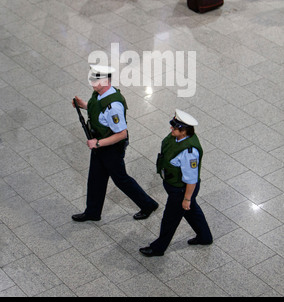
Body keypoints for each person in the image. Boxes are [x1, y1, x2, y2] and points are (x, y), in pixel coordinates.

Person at [72, 64, 159, 222]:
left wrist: (97, 144)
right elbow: (98, 111)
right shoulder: (98, 94)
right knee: (96, 178)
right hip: (101, 144)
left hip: (111, 148)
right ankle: (92, 212)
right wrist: (84, 105)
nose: (92, 81)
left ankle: (148, 204)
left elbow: (121, 134)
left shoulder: (114, 106)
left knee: (121, 180)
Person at [139, 109, 213, 257]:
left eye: (174, 126)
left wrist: (186, 198)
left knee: (170, 219)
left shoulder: (190, 151)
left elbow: (191, 179)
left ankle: (158, 248)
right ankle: (205, 237)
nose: (171, 128)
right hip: (175, 186)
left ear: (184, 131)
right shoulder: (176, 137)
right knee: (191, 211)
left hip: (182, 191)